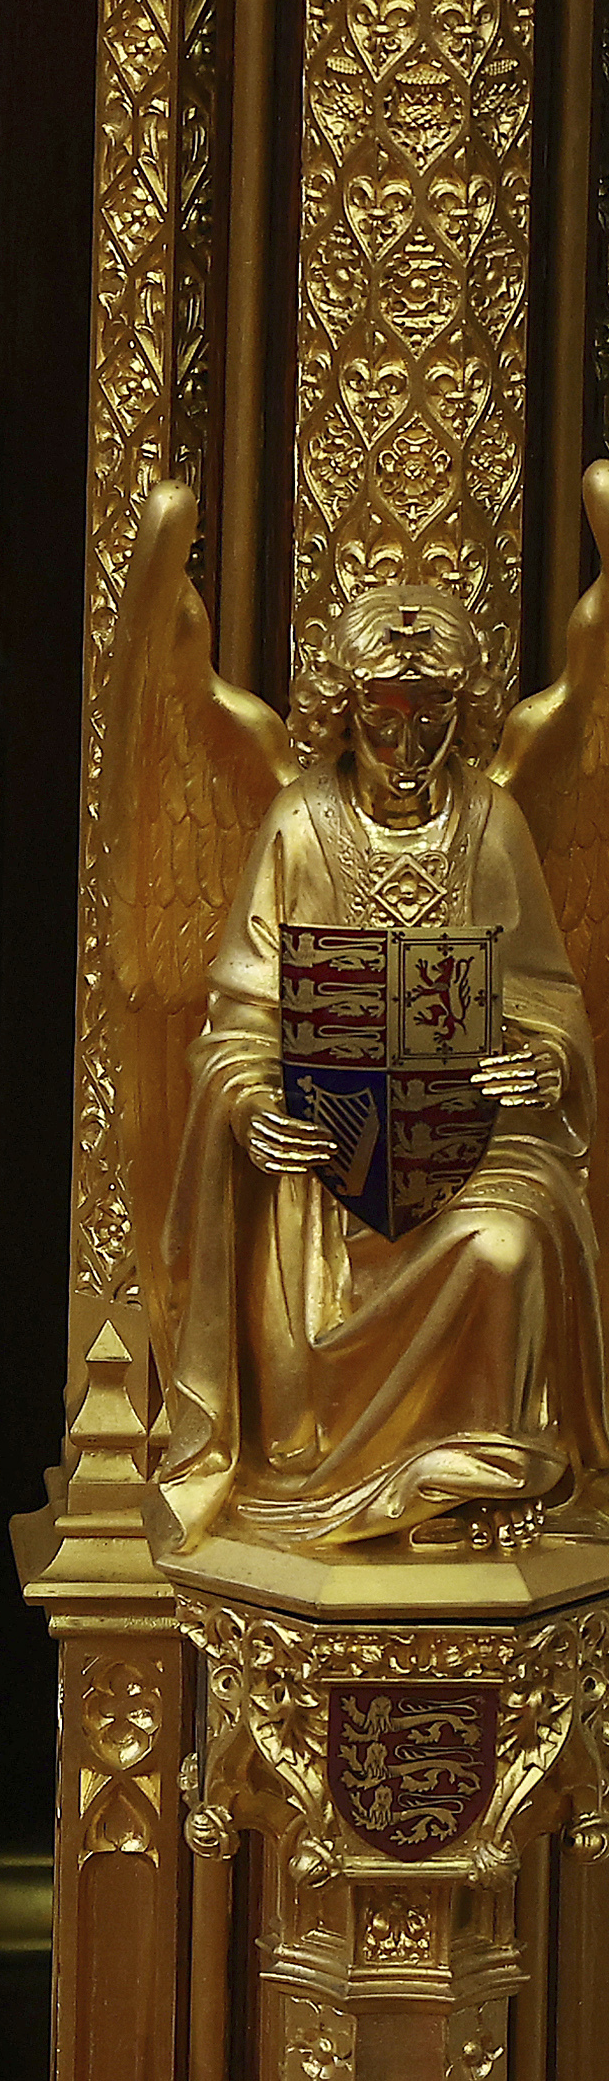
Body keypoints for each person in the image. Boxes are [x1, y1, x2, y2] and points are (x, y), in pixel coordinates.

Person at [152, 582, 604, 1548]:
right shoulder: (298, 827)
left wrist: (546, 1065)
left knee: (511, 1246)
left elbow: (549, 999)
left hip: (477, 1152)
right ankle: (329, 1470)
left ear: (462, 714)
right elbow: (238, 1024)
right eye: (383, 719)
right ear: (343, 712)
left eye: (431, 719)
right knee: (295, 1268)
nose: (406, 748)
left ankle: (478, 1478)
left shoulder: (492, 827)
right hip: (326, 1164)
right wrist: (248, 1106)